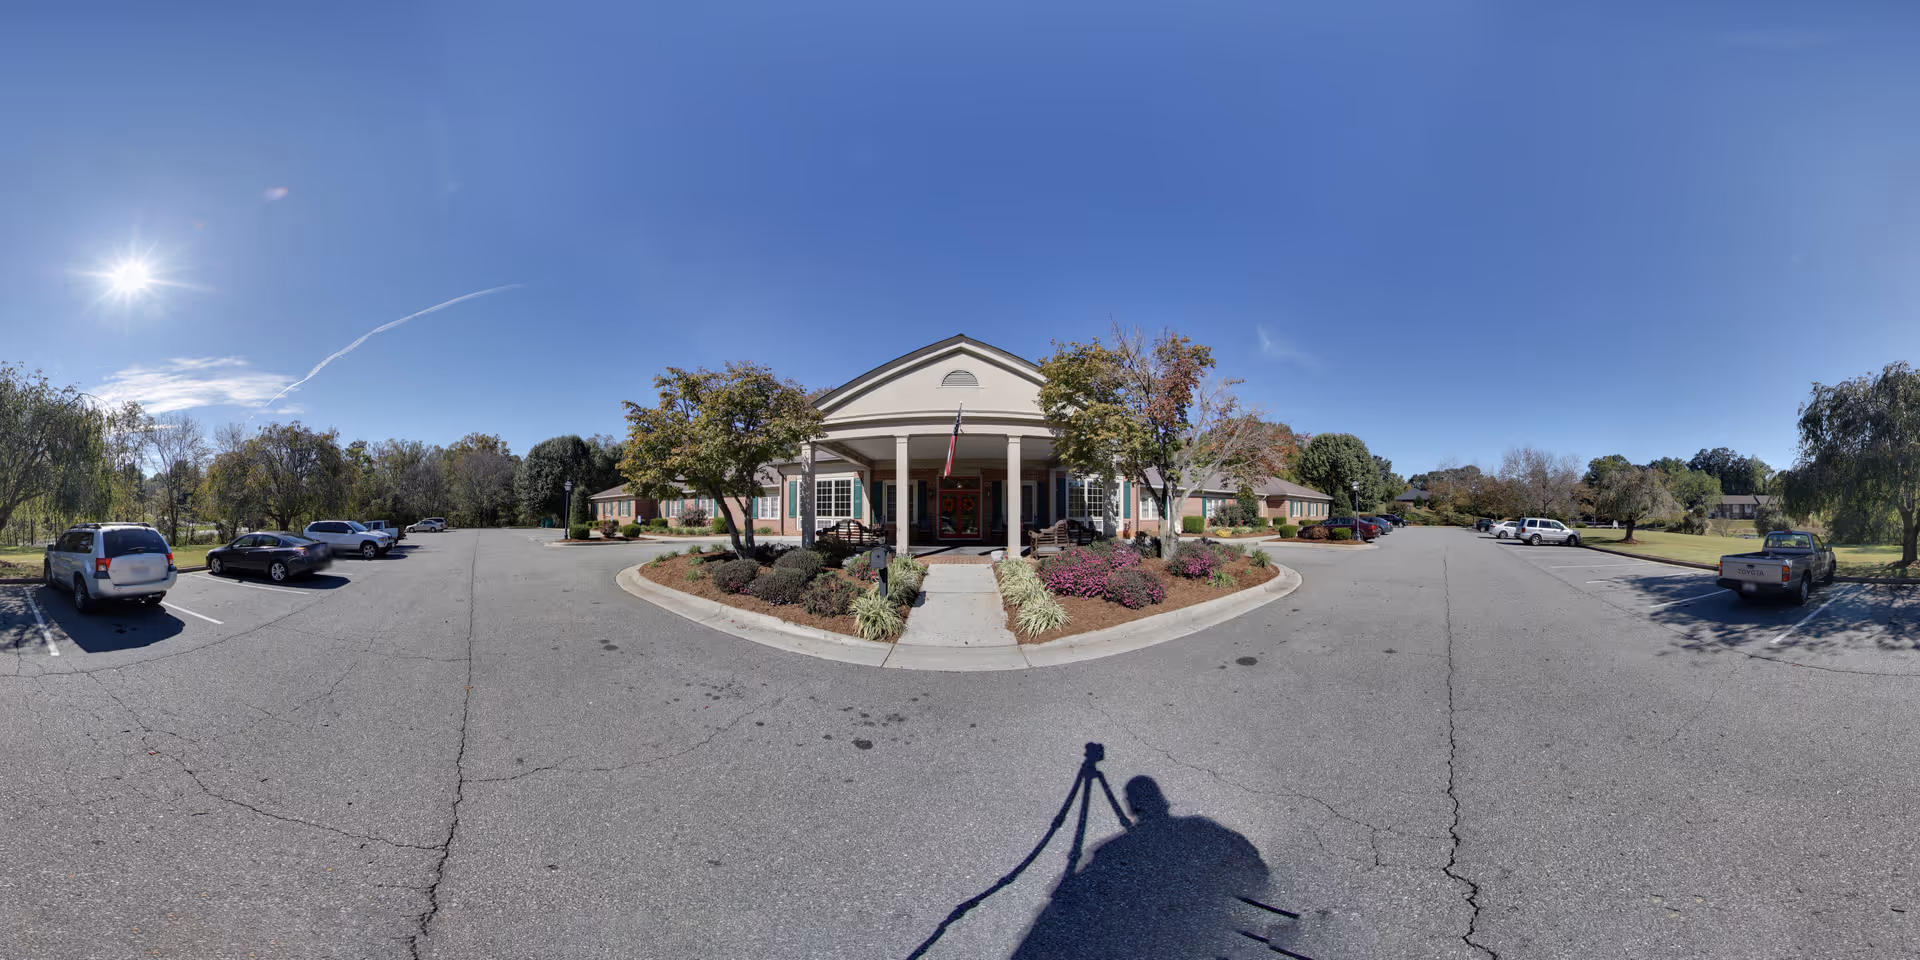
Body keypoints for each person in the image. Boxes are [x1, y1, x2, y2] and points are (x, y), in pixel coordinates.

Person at [1011, 776, 1269, 960]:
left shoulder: (1116, 852)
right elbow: (1253, 864)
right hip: (1208, 938)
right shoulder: (1200, 829)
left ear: (1133, 808)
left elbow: (1073, 899)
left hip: (1153, 947)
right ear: (1163, 801)